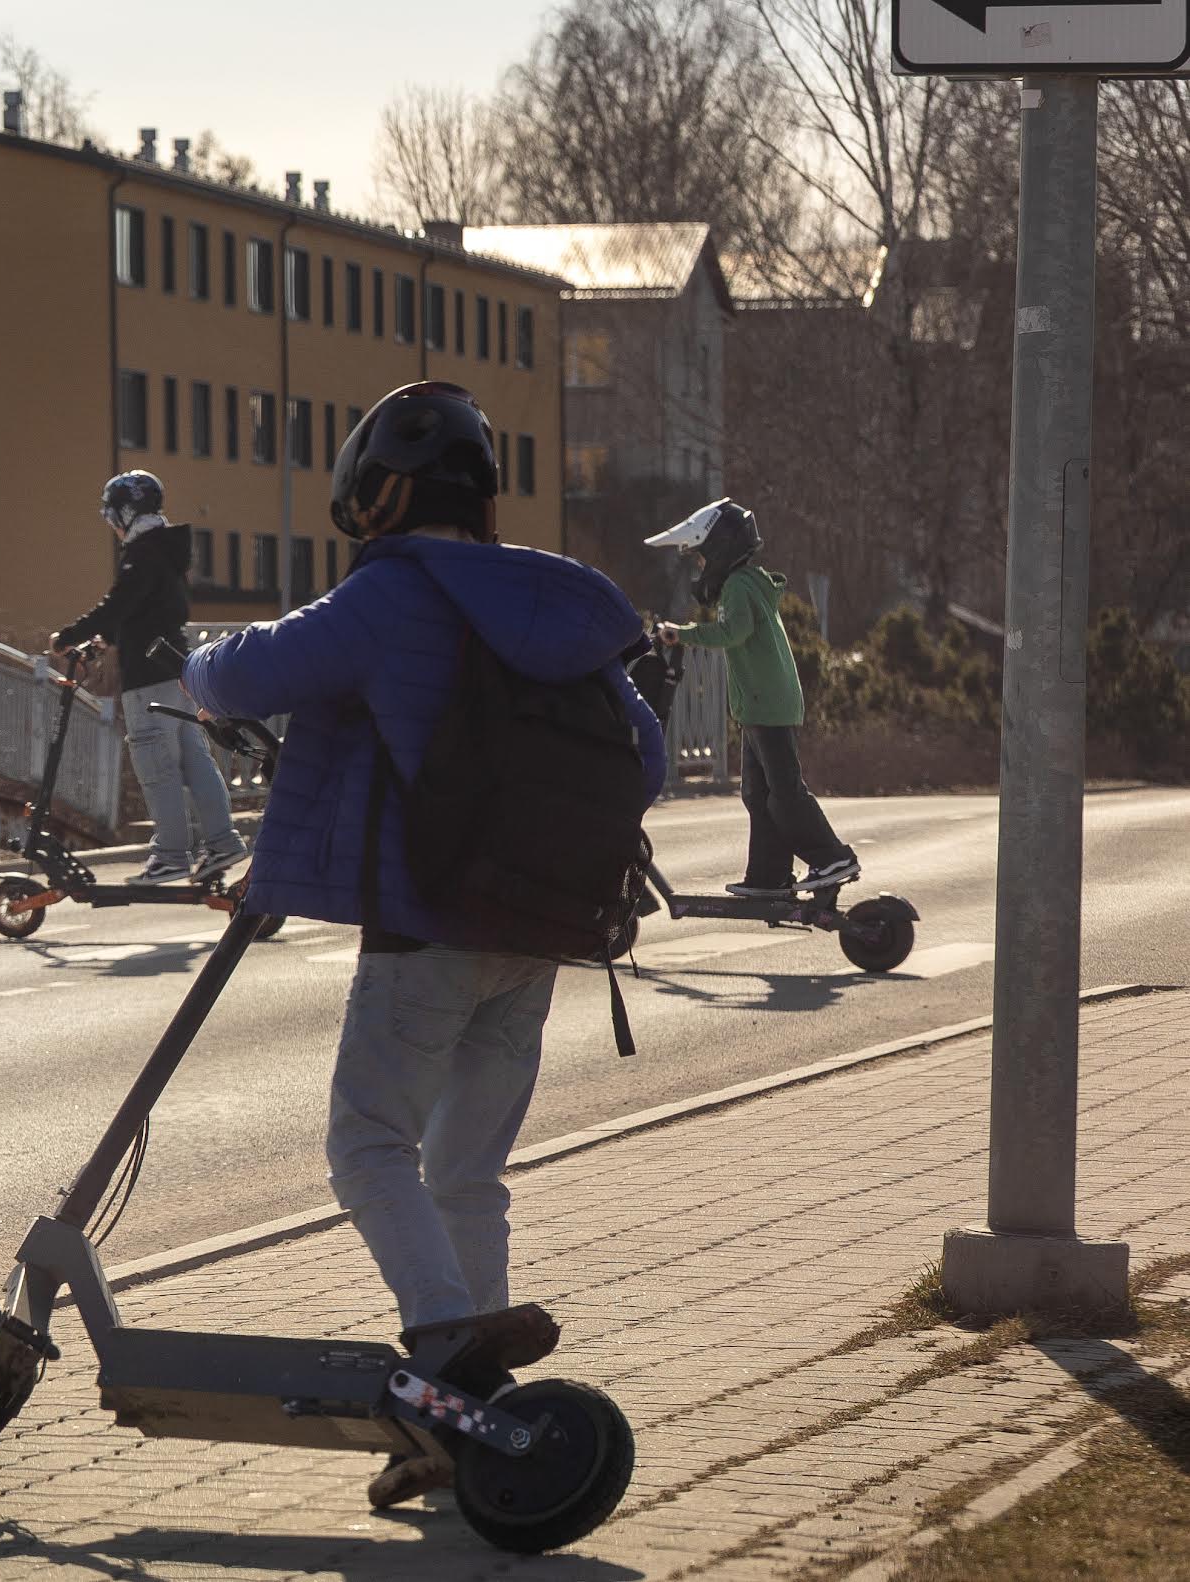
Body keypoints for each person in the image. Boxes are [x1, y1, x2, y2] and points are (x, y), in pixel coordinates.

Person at [181, 382, 665, 1509]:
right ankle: (483, 1433)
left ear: (375, 495)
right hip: (540, 925)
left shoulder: (395, 593)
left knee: (367, 1146)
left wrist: (194, 663)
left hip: (428, 928)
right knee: (467, 1171)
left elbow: (249, 672)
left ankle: (444, 1356)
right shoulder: (564, 601)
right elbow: (642, 758)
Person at [647, 499, 859, 898]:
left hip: (769, 706)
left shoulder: (739, 586)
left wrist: (684, 633)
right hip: (761, 706)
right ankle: (769, 875)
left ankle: (833, 857)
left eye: (701, 558)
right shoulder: (744, 583)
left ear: (719, 549)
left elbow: (733, 632)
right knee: (758, 795)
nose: (699, 568)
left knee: (784, 794)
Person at [50, 470, 245, 886]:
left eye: (111, 514)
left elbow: (119, 604)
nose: (110, 524)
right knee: (194, 759)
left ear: (125, 511)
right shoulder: (166, 551)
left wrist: (70, 637)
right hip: (176, 671)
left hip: (147, 676)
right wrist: (109, 637)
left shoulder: (142, 553)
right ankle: (222, 842)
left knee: (157, 766)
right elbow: (144, 609)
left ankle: (172, 856)